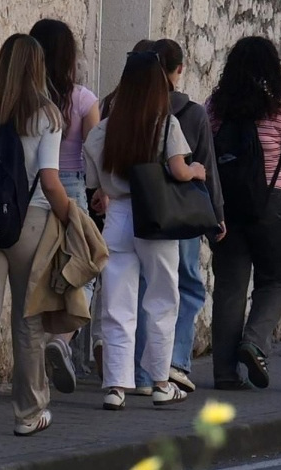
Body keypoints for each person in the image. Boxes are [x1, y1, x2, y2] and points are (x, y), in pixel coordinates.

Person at [83, 49, 204, 410]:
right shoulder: (165, 124)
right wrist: (197, 170)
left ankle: (115, 386)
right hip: (156, 218)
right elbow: (180, 171)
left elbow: (94, 184)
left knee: (117, 305)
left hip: (118, 217)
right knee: (163, 301)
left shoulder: (104, 129)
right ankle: (160, 380)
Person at [0, 34, 69, 436]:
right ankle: (28, 414)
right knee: (28, 319)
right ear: (38, 68)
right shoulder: (47, 115)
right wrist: (72, 217)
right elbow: (51, 181)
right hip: (30, 222)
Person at [207, 36, 281, 391]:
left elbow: (204, 155)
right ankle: (253, 341)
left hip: (226, 207)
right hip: (273, 206)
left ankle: (223, 373)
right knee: (278, 277)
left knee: (229, 287)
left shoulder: (216, 106)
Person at [130, 39, 226, 394]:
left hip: (139, 210)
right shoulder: (190, 113)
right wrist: (217, 213)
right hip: (179, 213)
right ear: (179, 70)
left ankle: (140, 370)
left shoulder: (127, 110)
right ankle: (174, 361)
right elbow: (205, 165)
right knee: (186, 286)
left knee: (143, 289)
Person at [30, 19, 102, 395]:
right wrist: (101, 190)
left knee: (38, 277)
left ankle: (39, 357)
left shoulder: (26, 98)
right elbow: (95, 151)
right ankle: (63, 338)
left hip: (30, 192)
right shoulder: (83, 100)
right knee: (83, 268)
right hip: (70, 187)